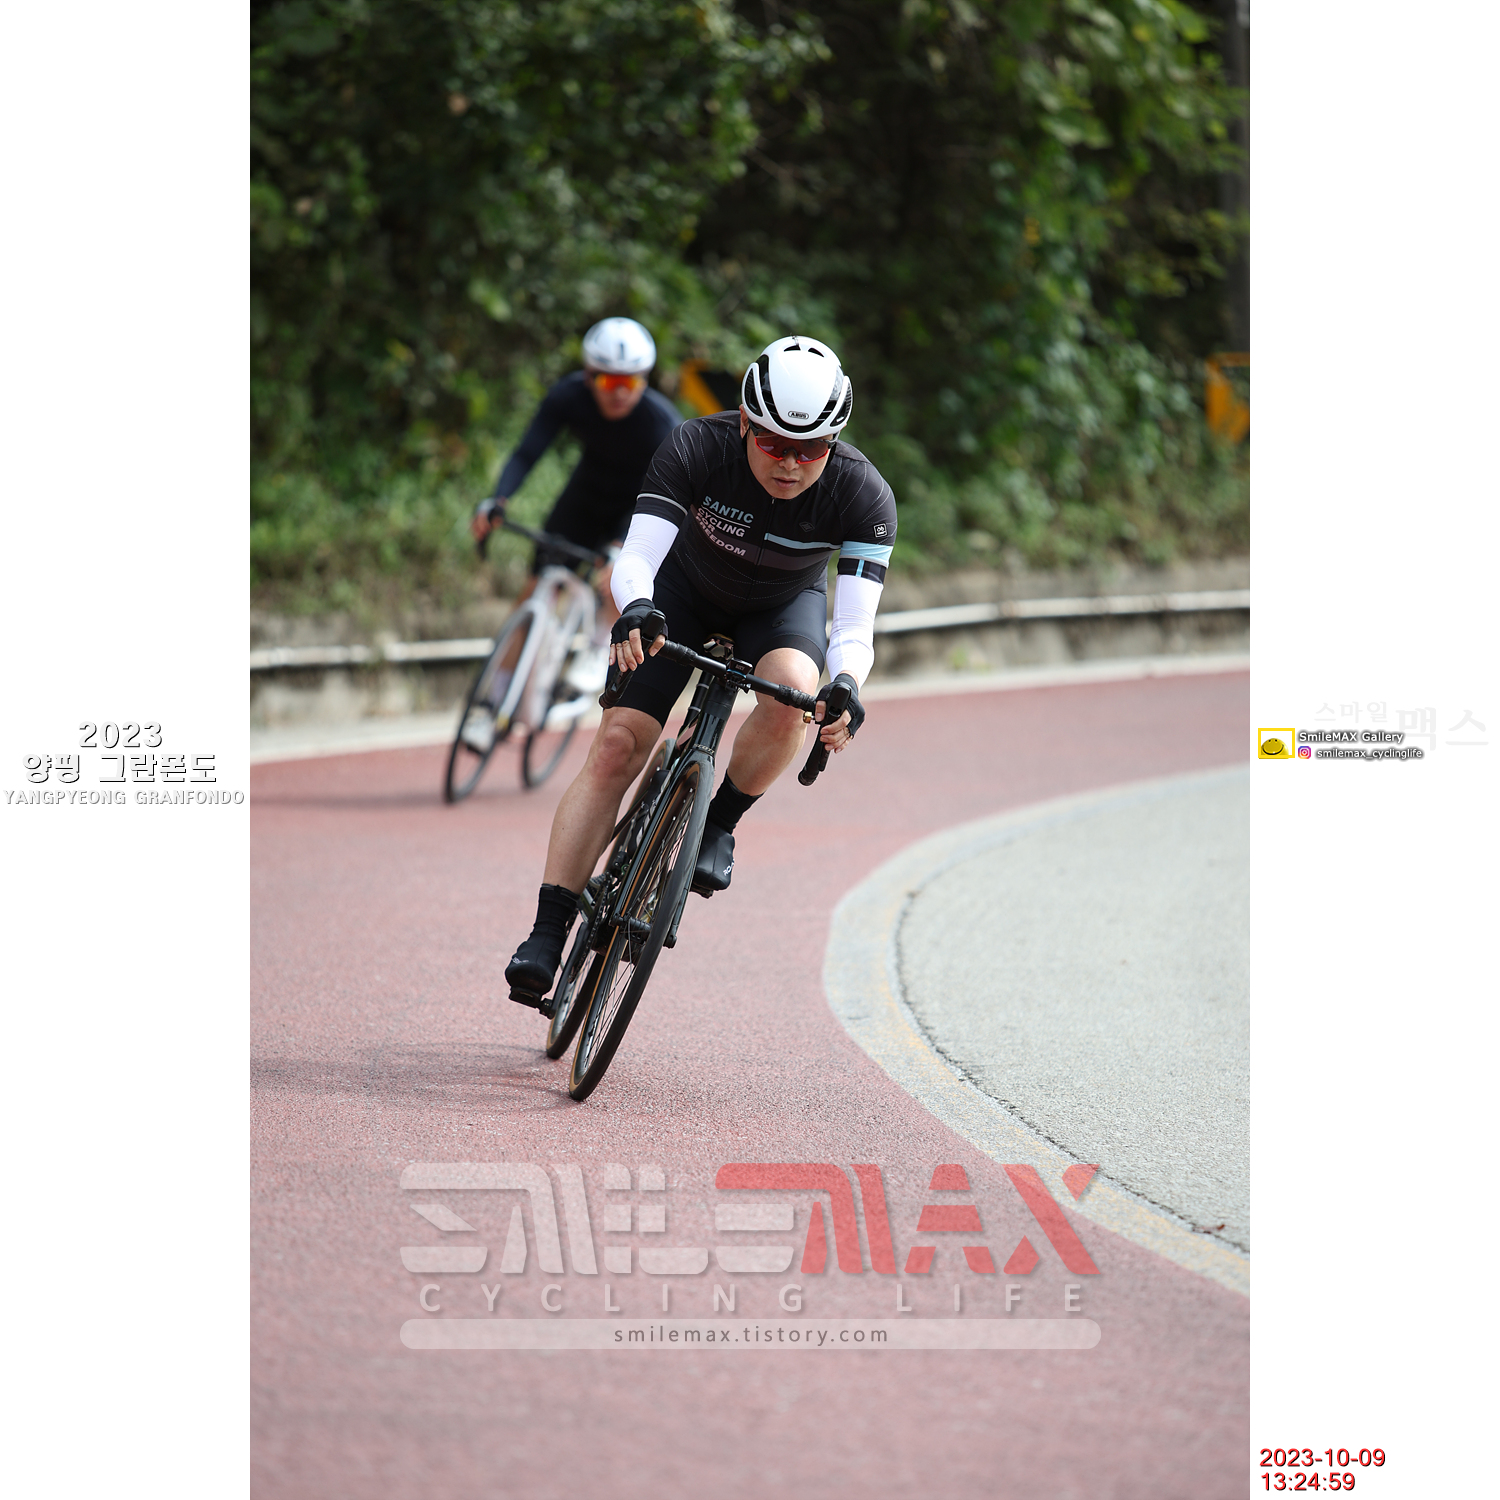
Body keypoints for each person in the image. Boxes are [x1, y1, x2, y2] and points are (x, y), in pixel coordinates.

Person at [504, 335, 897, 1008]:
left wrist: (847, 685)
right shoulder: (696, 445)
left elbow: (854, 628)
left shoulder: (864, 495)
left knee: (795, 696)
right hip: (682, 592)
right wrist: (636, 607)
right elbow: (637, 556)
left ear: (834, 442)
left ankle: (718, 823)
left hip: (781, 608)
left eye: (811, 450)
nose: (790, 463)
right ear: (744, 422)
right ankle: (547, 930)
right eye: (773, 443)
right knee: (618, 746)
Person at [470, 316, 683, 625]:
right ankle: (511, 657)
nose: (619, 394)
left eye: (630, 383)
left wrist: (623, 544)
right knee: (535, 589)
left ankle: (602, 647)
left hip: (636, 508)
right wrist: (498, 499)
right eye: (609, 382)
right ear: (588, 376)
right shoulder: (568, 396)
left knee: (619, 590)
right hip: (585, 496)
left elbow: (671, 496)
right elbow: (527, 454)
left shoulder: (662, 425)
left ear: (645, 380)